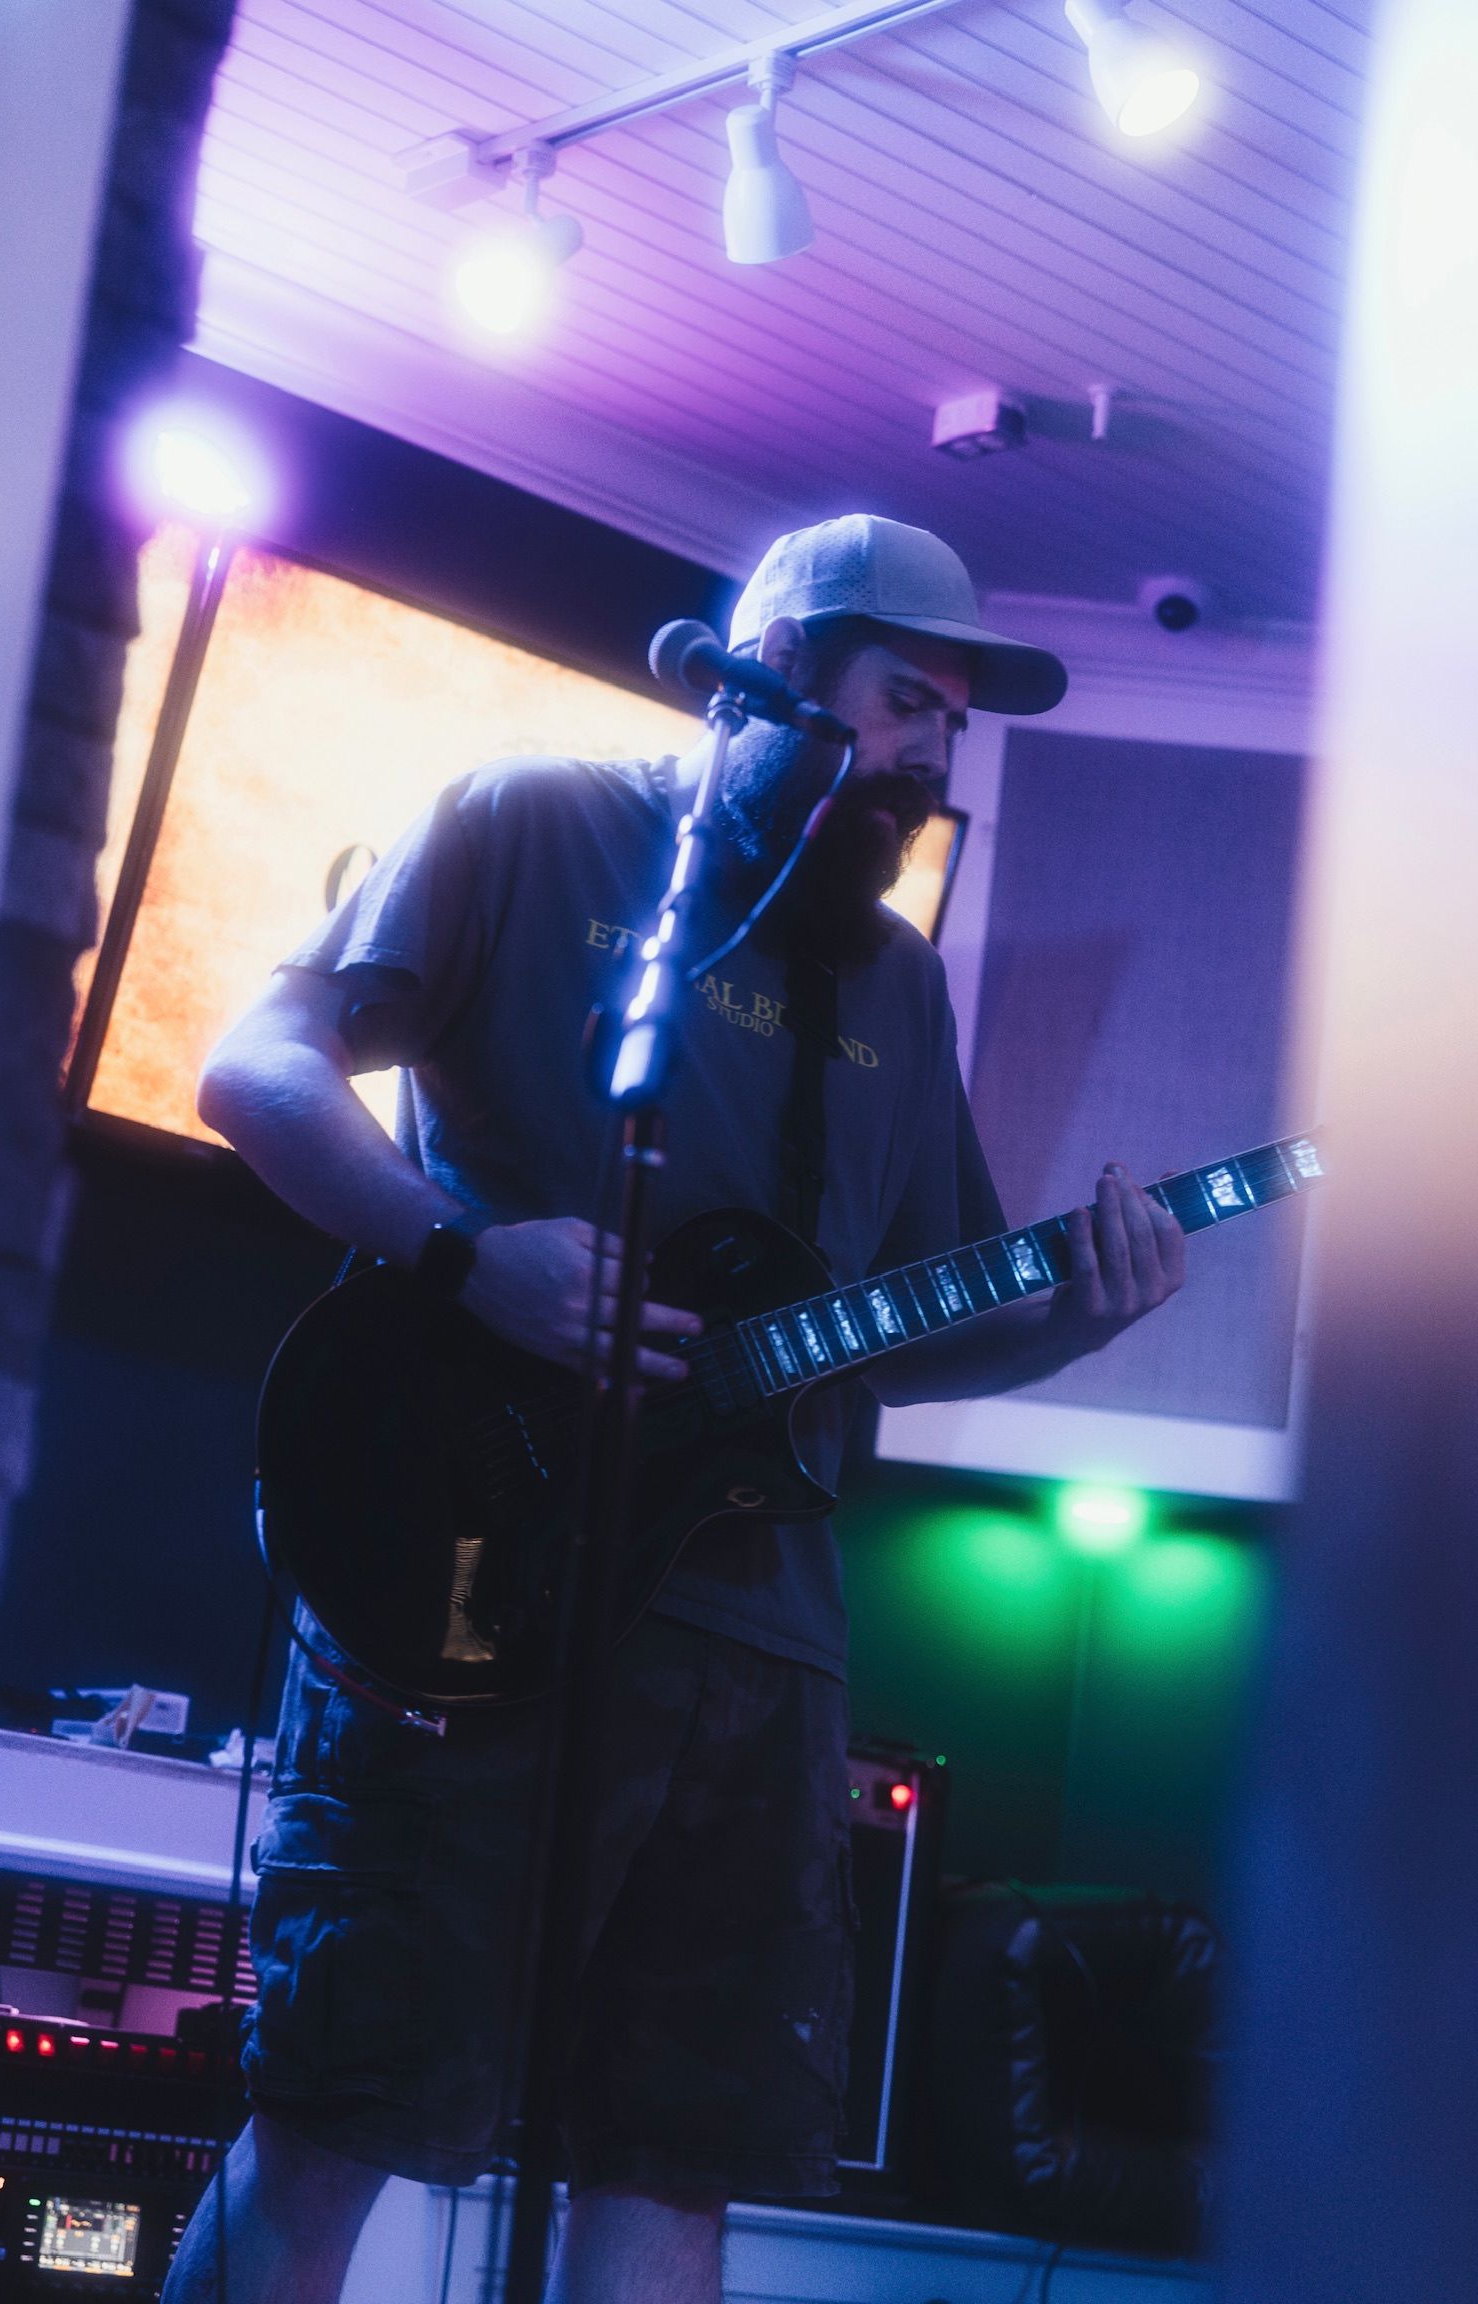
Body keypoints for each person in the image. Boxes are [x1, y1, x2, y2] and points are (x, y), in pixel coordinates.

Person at [164, 515, 1185, 2304]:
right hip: (483, 1595)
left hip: (762, 1653)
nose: (935, 757)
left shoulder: (900, 982)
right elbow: (254, 1066)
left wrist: (1075, 1325)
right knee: (342, 2116)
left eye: (956, 725)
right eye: (906, 701)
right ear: (775, 669)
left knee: (679, 2165)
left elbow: (903, 1325)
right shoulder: (537, 819)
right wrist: (462, 1255)